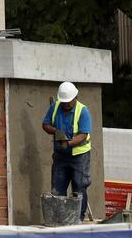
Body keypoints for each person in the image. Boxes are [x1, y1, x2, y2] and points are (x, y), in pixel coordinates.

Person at [42, 81, 93, 220]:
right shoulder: (55, 107)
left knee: (79, 187)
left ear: (75, 97)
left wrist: (68, 143)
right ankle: (59, 218)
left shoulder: (83, 111)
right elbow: (45, 124)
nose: (65, 104)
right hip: (60, 156)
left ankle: (79, 218)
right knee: (58, 188)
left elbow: (83, 135)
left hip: (79, 156)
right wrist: (56, 131)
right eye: (63, 102)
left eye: (68, 102)